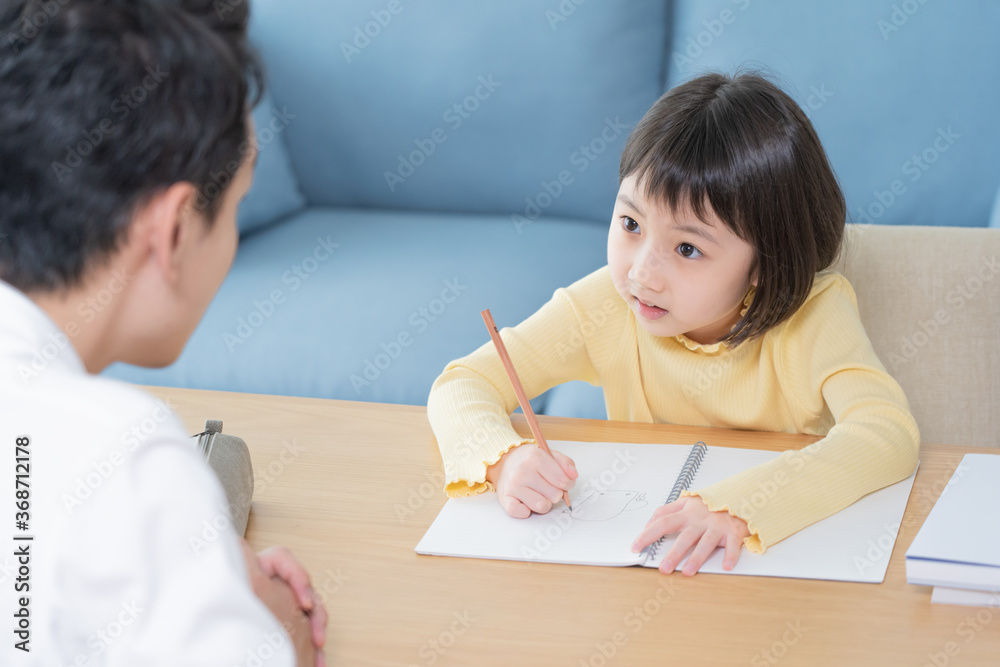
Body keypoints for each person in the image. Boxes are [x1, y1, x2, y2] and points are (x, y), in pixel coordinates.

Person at [427, 71, 920, 575]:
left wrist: (743, 504)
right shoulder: (606, 304)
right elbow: (463, 383)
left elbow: (886, 433)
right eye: (631, 224)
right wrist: (502, 458)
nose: (641, 274)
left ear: (765, 264)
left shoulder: (813, 316)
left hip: (763, 568)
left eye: (687, 248)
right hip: (649, 569)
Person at [0, 0, 325, 664]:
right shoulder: (124, 454)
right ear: (174, 231)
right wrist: (277, 636)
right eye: (234, 207)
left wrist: (181, 559)